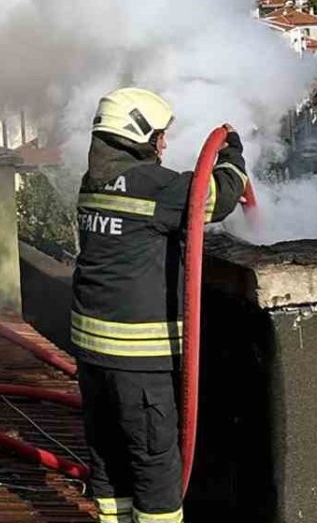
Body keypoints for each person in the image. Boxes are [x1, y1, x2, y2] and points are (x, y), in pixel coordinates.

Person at [72, 88, 249, 523]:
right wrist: (233, 154)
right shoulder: (156, 187)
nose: (164, 144)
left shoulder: (91, 180)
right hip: (140, 359)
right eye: (159, 136)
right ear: (136, 136)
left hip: (92, 356)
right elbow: (219, 196)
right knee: (155, 466)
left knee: (111, 460)